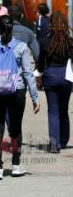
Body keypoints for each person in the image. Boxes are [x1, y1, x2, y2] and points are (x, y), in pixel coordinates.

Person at [0, 15, 40, 180]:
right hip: (16, 91)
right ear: (12, 28)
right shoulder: (21, 47)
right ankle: (16, 165)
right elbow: (28, 73)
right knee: (16, 128)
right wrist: (35, 97)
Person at [36, 11, 73, 153]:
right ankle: (63, 141)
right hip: (66, 77)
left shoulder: (45, 41)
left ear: (51, 24)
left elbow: (40, 64)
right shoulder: (70, 42)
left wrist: (39, 77)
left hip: (50, 76)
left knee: (53, 111)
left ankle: (54, 144)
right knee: (64, 109)